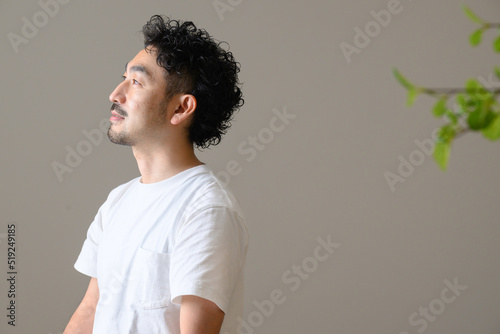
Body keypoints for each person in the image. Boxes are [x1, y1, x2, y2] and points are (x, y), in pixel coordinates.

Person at [63, 15, 248, 334]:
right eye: (123, 77)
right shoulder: (117, 201)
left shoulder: (207, 210)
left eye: (135, 82)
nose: (115, 94)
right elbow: (90, 309)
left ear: (181, 109)